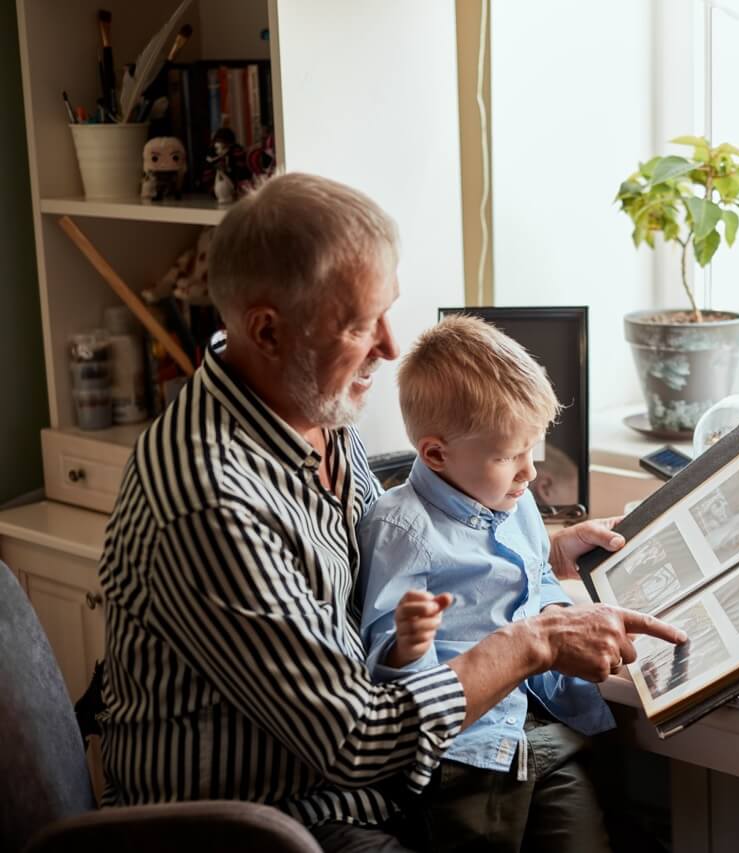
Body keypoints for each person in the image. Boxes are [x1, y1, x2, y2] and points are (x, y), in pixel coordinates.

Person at [94, 173, 686, 853]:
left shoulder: (311, 408)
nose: (390, 345)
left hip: (365, 787)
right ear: (267, 330)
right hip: (273, 820)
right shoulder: (211, 500)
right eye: (357, 324)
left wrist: (545, 557)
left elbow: (403, 570)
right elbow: (355, 738)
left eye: (387, 310)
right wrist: (538, 641)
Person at [358, 315, 615, 852]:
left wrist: (557, 561)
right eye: (507, 456)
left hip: (540, 731)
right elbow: (382, 659)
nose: (529, 473)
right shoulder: (400, 526)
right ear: (435, 454)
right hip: (467, 758)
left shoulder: (510, 500)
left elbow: (531, 579)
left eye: (532, 449)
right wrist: (407, 644)